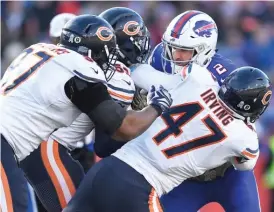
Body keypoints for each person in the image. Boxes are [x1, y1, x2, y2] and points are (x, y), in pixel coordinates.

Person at [0, 15, 172, 212]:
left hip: (19, 146)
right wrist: (156, 106)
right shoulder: (82, 70)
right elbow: (120, 129)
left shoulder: (38, 49)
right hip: (23, 146)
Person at [64, 64, 272, 212]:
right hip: (140, 186)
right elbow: (245, 165)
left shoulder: (199, 78)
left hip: (108, 167)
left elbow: (141, 72)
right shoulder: (244, 138)